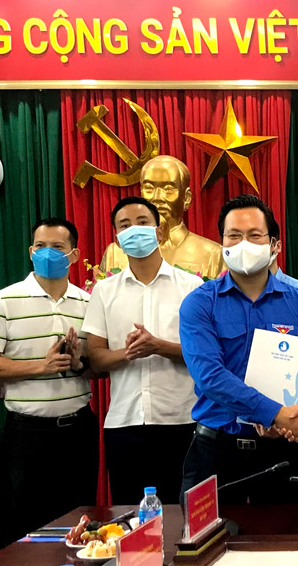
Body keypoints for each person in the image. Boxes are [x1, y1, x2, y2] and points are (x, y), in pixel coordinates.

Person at [179, 194, 298, 503]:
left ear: (273, 244)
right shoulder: (199, 303)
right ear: (222, 243)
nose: (243, 244)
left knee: (292, 533)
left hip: (286, 452)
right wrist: (275, 413)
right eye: (234, 235)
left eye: (254, 235)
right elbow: (210, 376)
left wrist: (288, 416)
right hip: (216, 454)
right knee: (208, 535)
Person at [0, 218, 98, 535]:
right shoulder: (4, 300)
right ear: (31, 252)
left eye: (57, 247)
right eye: (41, 246)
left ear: (74, 254)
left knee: (81, 521)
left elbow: (97, 368)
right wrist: (40, 366)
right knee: (29, 526)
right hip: (27, 433)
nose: (47, 253)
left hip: (78, 431)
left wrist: (77, 362)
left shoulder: (88, 302)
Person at [83, 196, 205, 504]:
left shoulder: (191, 287)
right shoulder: (104, 291)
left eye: (142, 223)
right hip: (125, 424)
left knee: (184, 513)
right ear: (117, 239)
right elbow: (95, 356)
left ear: (159, 231)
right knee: (129, 514)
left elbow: (203, 354)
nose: (134, 230)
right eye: (125, 226)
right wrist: (128, 352)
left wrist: (158, 346)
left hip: (181, 420)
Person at [100, 155, 224, 279]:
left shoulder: (213, 255)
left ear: (186, 198)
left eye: (168, 189)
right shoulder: (115, 253)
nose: (157, 197)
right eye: (149, 188)